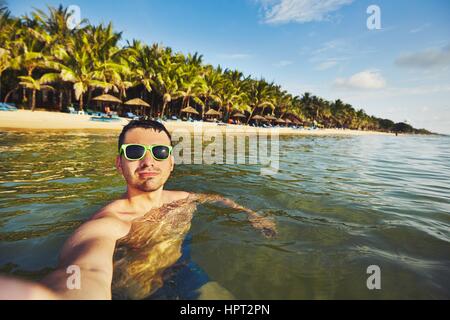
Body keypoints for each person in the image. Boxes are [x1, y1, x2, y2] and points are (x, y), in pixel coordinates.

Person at [0, 120, 277, 300]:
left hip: (183, 268)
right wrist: (62, 293)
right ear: (119, 164)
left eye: (159, 152)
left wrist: (252, 214)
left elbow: (215, 198)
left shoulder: (184, 198)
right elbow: (83, 270)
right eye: (134, 152)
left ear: (171, 163)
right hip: (144, 289)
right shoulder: (109, 223)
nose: (148, 161)